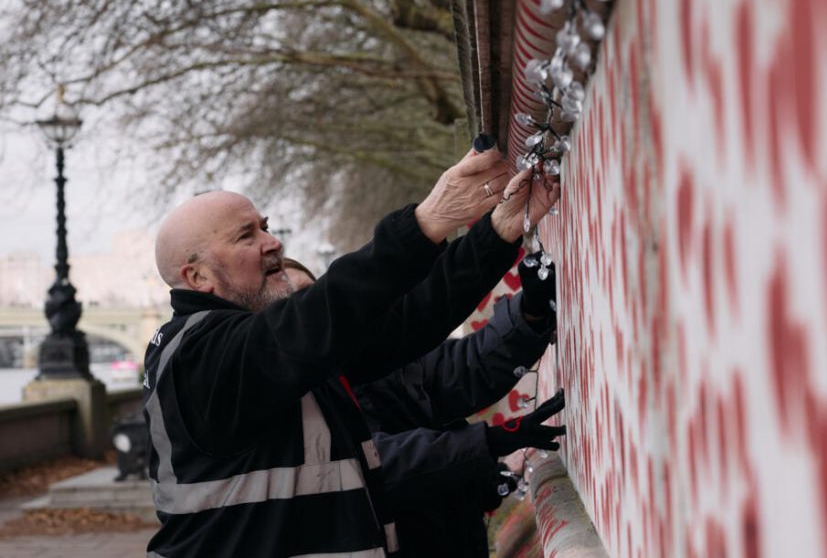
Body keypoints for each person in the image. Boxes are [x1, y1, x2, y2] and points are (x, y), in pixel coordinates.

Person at [143, 147, 559, 557]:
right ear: (197, 276)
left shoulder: (273, 358)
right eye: (245, 235)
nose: (273, 242)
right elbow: (332, 310)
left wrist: (497, 232)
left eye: (265, 226)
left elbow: (401, 321)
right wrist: (427, 222)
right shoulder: (197, 357)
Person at [282, 253, 563, 557]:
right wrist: (486, 442)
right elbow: (376, 466)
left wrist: (528, 314)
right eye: (294, 304)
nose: (311, 312)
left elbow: (460, 369)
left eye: (313, 296)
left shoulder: (369, 361)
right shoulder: (277, 416)